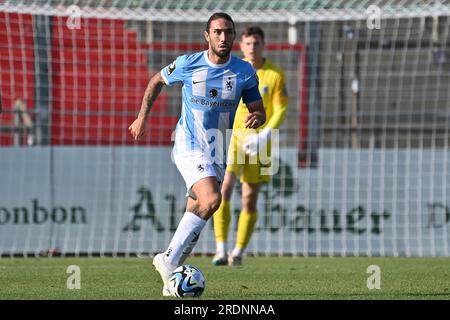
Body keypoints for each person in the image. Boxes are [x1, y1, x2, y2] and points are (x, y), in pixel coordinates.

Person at [128, 12, 266, 296]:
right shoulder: (188, 63)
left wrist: (257, 117)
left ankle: (171, 278)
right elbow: (155, 81)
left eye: (228, 32)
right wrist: (142, 118)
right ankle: (168, 263)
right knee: (213, 198)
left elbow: (258, 109)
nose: (223, 38)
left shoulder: (244, 72)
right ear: (207, 35)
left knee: (200, 207)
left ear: (234, 36)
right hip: (188, 144)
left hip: (217, 150)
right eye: (217, 32)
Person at [212, 26, 289, 266]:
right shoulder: (234, 71)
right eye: (248, 44)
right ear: (241, 46)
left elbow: (281, 109)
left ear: (263, 45)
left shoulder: (274, 75)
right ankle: (220, 249)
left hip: (261, 144)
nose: (252, 48)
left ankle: (238, 252)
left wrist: (265, 136)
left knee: (249, 200)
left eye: (256, 43)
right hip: (233, 138)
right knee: (223, 191)